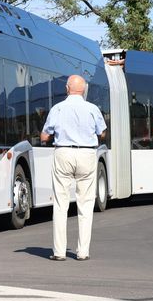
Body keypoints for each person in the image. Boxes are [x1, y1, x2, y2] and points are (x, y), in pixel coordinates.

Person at [40, 75, 107, 262]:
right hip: (87, 154)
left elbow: (45, 136)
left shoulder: (57, 108)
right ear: (84, 90)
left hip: (63, 154)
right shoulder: (93, 109)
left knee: (61, 204)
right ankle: (82, 251)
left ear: (67, 89)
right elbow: (102, 132)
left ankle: (59, 252)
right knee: (85, 204)